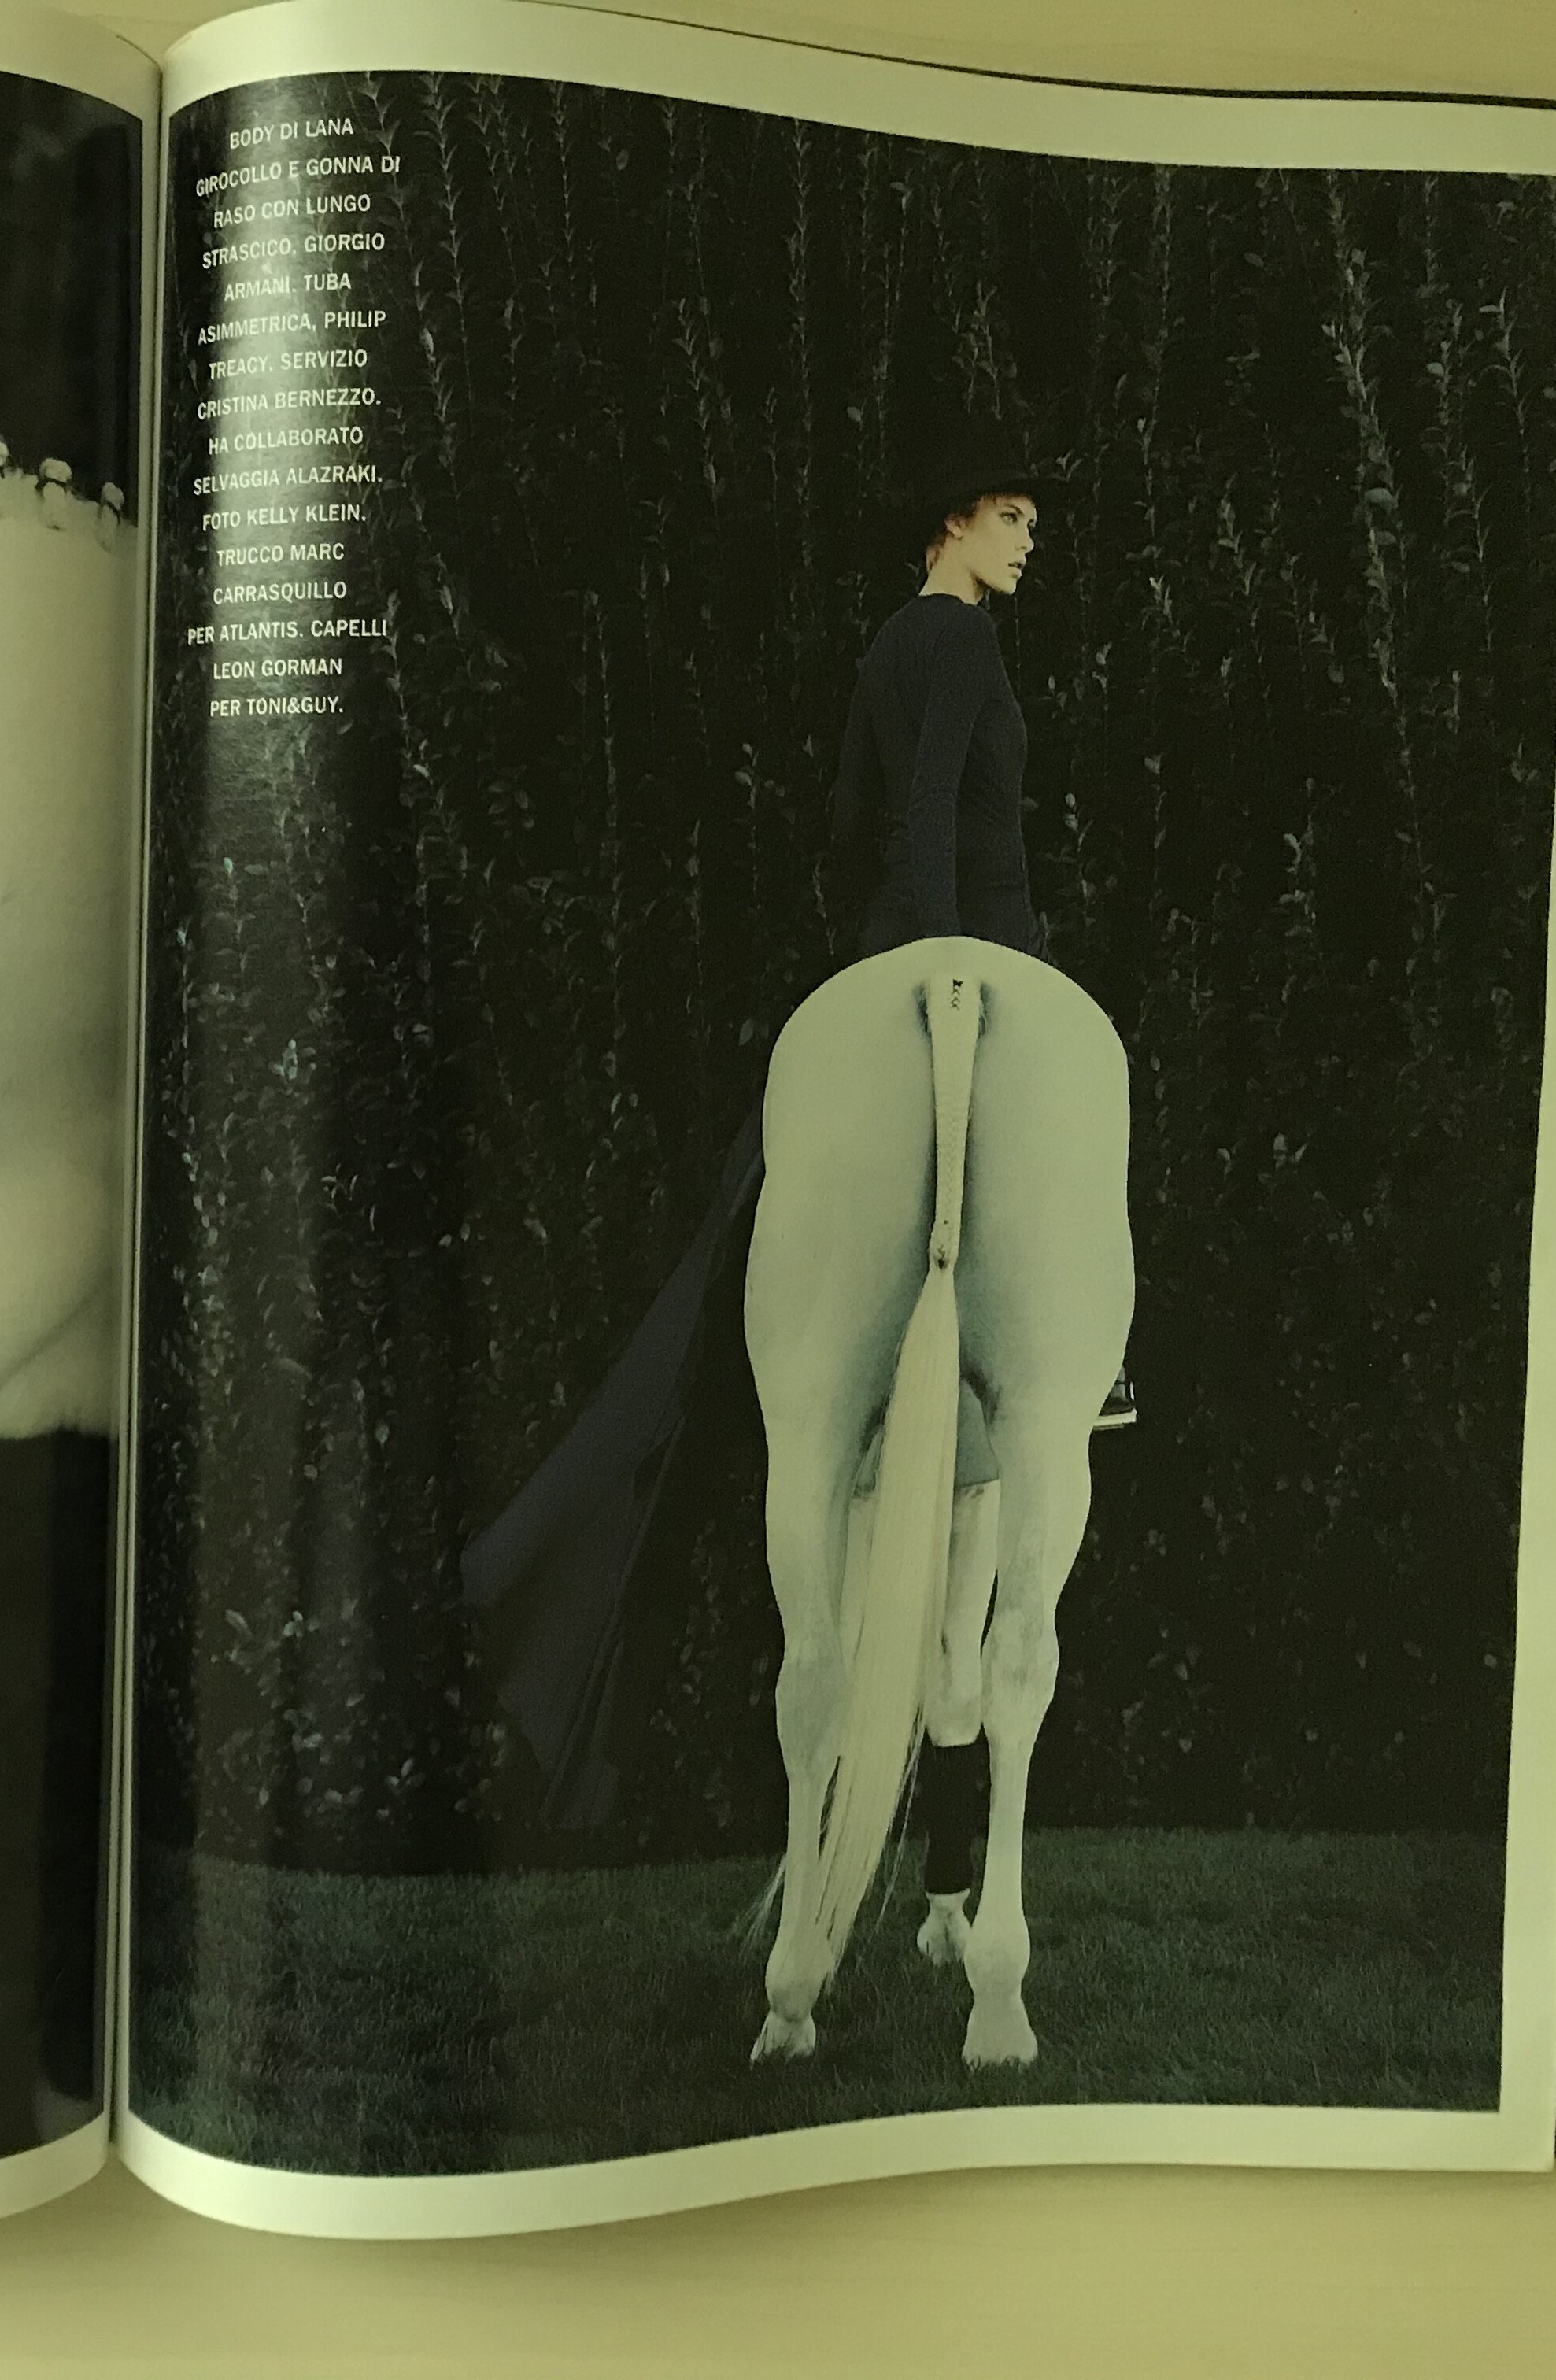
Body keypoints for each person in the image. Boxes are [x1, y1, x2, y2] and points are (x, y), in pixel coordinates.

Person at [464, 411, 1129, 1835]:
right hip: (977, 957)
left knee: (757, 1223)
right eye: (1013, 518)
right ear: (954, 522)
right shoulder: (964, 646)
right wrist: (955, 962)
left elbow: (848, 820)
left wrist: (883, 957)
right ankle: (1102, 1368)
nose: (1031, 543)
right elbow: (937, 804)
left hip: (877, 956)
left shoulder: (884, 648)